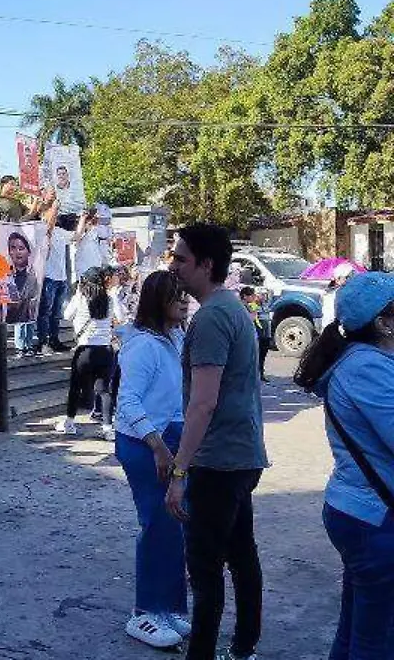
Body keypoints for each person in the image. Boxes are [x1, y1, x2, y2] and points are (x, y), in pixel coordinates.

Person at [165, 223, 268, 660]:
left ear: (206, 265)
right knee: (241, 555)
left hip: (218, 461)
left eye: (181, 258)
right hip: (239, 456)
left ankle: (205, 652)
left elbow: (202, 403)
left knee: (205, 571)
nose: (173, 265)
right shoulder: (230, 308)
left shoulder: (211, 317)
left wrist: (179, 471)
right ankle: (244, 645)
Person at [292, 271, 394, 659]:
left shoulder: (370, 361)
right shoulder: (367, 368)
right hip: (374, 517)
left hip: (364, 512)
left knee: (358, 628)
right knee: (377, 640)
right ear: (383, 323)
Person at [114, 270, 191, 649]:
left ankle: (172, 606)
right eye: (175, 295)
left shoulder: (176, 337)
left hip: (173, 435)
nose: (183, 300)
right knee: (157, 523)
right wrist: (157, 444)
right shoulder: (142, 345)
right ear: (157, 300)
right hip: (145, 442)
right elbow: (127, 401)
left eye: (184, 294)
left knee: (175, 524)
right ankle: (144, 610)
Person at [57, 267, 116, 438]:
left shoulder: (80, 298)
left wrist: (76, 295)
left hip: (85, 349)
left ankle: (69, 422)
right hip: (105, 350)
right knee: (104, 390)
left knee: (75, 388)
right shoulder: (109, 300)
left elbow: (67, 315)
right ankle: (107, 429)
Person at [35, 196, 71, 354]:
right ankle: (43, 341)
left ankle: (54, 339)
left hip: (61, 278)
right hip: (48, 277)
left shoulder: (61, 232)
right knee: (45, 312)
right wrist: (54, 207)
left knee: (56, 313)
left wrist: (84, 217)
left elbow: (76, 236)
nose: (55, 215)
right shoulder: (41, 229)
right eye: (51, 212)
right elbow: (48, 229)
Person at [5, 231, 40, 325]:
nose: (17, 252)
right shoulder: (5, 275)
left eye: (21, 248)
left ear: (28, 252)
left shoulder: (33, 276)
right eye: (13, 248)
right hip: (8, 323)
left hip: (27, 323)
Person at [239, 287, 270, 382]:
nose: (263, 297)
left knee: (262, 354)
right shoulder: (248, 305)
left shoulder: (264, 305)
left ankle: (260, 372)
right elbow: (251, 318)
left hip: (264, 333)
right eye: (261, 295)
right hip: (255, 334)